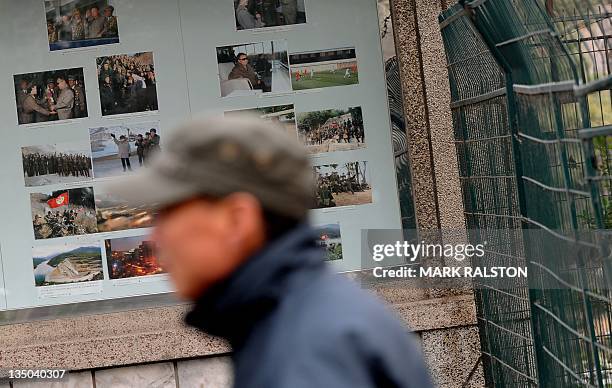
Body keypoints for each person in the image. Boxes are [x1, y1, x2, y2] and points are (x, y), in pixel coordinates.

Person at [111, 116, 433, 388]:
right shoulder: (309, 314)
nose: (155, 236)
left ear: (238, 220)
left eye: (169, 212)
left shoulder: (302, 354)